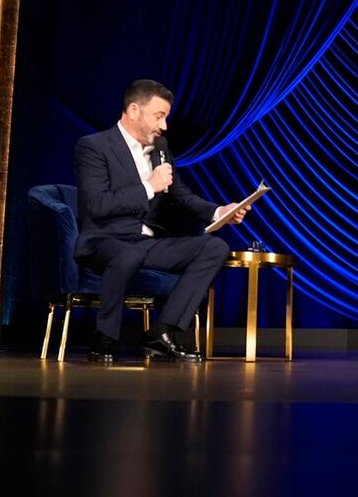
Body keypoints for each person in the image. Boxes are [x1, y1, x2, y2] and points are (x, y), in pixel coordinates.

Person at [74, 79, 249, 363]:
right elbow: (97, 205)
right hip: (104, 240)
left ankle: (162, 331)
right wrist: (148, 187)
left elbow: (180, 195)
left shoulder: (160, 149)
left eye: (166, 117)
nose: (164, 126)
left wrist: (219, 212)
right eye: (160, 116)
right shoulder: (94, 147)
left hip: (144, 242)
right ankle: (104, 335)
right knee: (127, 253)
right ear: (134, 110)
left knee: (213, 248)